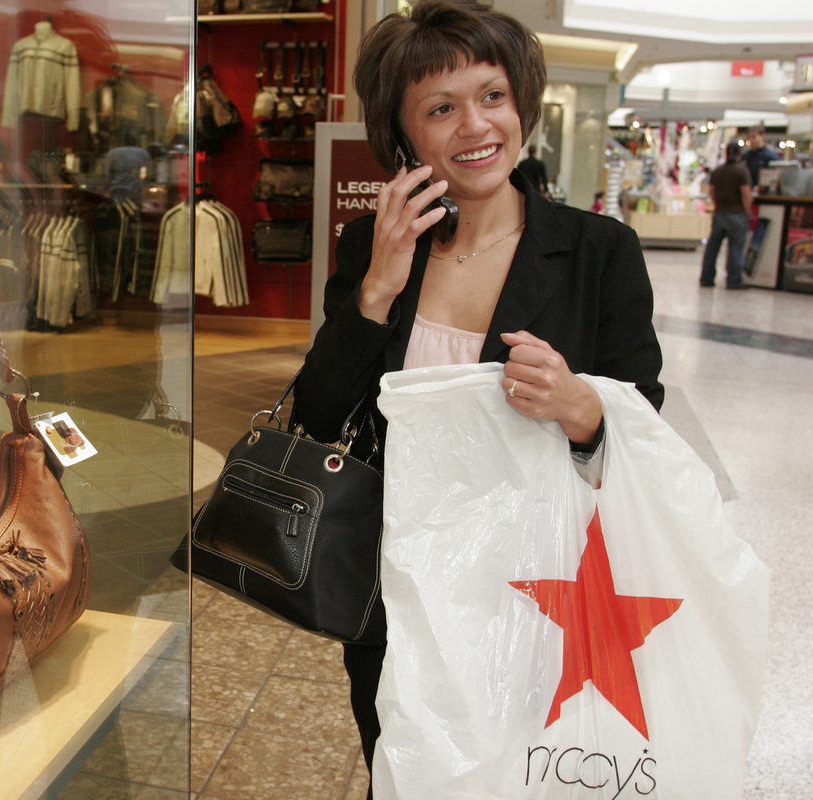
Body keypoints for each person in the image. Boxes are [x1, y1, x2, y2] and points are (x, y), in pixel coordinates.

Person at [291, 0, 664, 792]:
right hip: (398, 587)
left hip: (538, 586)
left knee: (525, 776)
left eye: (492, 96)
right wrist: (377, 289)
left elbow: (643, 427)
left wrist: (578, 404)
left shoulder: (599, 251)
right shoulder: (371, 245)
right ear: (403, 133)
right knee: (405, 768)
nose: (475, 125)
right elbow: (318, 413)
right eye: (440, 108)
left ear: (521, 103)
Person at [701, 142, 752, 289]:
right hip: (736, 214)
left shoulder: (717, 171)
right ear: (739, 154)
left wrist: (717, 205)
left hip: (719, 213)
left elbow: (711, 191)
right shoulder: (742, 171)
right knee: (735, 248)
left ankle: (706, 278)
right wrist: (747, 211)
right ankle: (734, 280)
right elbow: (745, 194)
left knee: (712, 247)